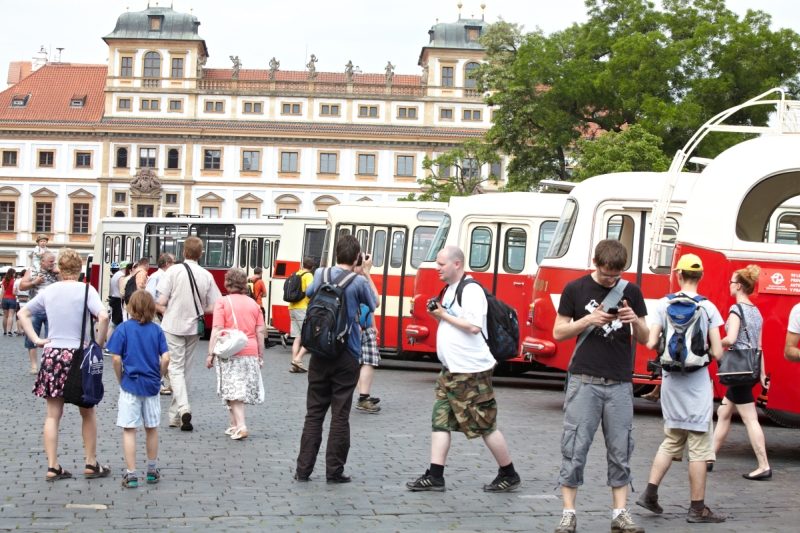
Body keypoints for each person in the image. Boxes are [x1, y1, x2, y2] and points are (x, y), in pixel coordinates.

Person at [552, 239, 649, 533]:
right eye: (607, 275)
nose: (611, 280)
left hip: (619, 383)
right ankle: (568, 514)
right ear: (596, 263)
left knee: (621, 450)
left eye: (616, 275)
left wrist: (635, 321)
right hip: (584, 382)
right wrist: (589, 320)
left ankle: (620, 513)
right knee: (575, 447)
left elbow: (646, 339)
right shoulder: (575, 289)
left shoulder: (631, 291)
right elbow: (558, 332)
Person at [406, 245, 521, 494]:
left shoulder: (471, 290)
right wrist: (438, 314)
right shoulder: (449, 290)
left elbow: (473, 327)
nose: (437, 268)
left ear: (457, 264)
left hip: (471, 372)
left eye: (441, 264)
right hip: (451, 370)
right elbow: (451, 323)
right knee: (440, 421)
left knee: (484, 424)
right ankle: (435, 476)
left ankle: (509, 473)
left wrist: (443, 315)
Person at [637, 254, 726, 523]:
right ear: (700, 277)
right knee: (699, 446)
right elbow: (719, 353)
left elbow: (652, 343)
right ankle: (697, 509)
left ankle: (650, 494)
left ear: (678, 275)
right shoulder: (708, 308)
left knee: (672, 439)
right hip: (697, 384)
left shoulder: (664, 304)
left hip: (672, 384)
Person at [18, 248, 110, 482]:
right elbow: (103, 316)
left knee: (52, 414)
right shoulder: (87, 290)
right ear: (79, 268)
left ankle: (53, 466)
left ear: (59, 267)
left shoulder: (49, 291)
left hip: (52, 354)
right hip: (78, 355)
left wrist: (37, 340)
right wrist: (98, 344)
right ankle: (90, 462)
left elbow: (23, 313)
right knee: (87, 411)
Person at [294, 235, 377, 483]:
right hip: (347, 354)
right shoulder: (359, 281)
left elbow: (308, 294)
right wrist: (366, 274)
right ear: (356, 257)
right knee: (340, 415)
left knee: (314, 414)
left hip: (319, 352)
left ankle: (303, 470)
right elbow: (374, 303)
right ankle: (335, 472)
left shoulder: (320, 274)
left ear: (336, 254)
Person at [710, 265, 770, 480]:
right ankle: (710, 458)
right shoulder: (756, 311)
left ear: (738, 286)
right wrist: (762, 374)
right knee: (724, 412)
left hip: (738, 371)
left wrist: (712, 344)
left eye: (731, 282)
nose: (730, 285)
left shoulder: (737, 310)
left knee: (750, 418)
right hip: (749, 369)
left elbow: (731, 339)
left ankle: (763, 465)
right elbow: (759, 346)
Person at [157, 236, 221, 431]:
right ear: (201, 254)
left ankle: (183, 409)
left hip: (172, 324)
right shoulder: (206, 275)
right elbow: (214, 305)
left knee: (175, 368)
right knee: (186, 369)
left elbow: (161, 300)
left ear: (183, 253)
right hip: (194, 326)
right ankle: (174, 416)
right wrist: (200, 307)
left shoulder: (173, 271)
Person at [108, 290, 170, 488]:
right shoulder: (157, 330)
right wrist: (159, 377)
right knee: (151, 428)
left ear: (130, 306)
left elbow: (116, 358)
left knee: (129, 429)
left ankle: (131, 474)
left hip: (130, 383)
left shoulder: (123, 329)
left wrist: (120, 379)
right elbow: (166, 357)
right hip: (151, 384)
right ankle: (151, 470)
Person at [206, 268, 266, 440]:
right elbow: (260, 332)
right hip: (250, 350)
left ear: (228, 283)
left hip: (230, 351)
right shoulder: (254, 304)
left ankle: (241, 426)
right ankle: (233, 424)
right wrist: (260, 356)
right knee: (235, 388)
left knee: (234, 390)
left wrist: (210, 353)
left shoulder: (222, 302)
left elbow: (217, 329)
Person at [19, 251, 61, 375]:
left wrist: (58, 273)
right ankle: (34, 365)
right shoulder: (32, 270)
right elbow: (21, 286)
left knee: (51, 337)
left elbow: (66, 283)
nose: (52, 264)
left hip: (52, 309)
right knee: (32, 337)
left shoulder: (57, 271)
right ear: (42, 261)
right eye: (50, 262)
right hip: (34, 308)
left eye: (54, 261)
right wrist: (34, 282)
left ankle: (47, 364)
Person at [145, 253, 175, 395]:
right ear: (167, 264)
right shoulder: (155, 277)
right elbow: (150, 298)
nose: (174, 265)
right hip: (158, 317)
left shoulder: (167, 277)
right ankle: (159, 382)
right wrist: (162, 310)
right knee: (158, 349)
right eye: (173, 262)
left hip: (165, 316)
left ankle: (166, 379)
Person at [288, 258, 315, 373]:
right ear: (312, 267)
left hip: (292, 308)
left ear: (303, 265)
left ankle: (294, 364)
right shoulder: (308, 275)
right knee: (310, 336)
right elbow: (310, 292)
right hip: (302, 308)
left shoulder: (296, 274)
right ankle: (298, 360)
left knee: (297, 337)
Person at [108, 262, 125, 332]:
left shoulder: (114, 276)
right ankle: (108, 339)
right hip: (118, 300)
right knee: (115, 323)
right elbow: (122, 290)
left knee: (115, 322)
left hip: (114, 299)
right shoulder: (121, 276)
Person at [2, 267, 16, 336]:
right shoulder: (14, 281)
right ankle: (9, 331)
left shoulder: (4, 280)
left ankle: (4, 331)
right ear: (13, 274)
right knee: (11, 315)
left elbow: (2, 291)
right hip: (12, 299)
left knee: (5, 316)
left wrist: (1, 300)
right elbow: (14, 291)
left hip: (4, 298)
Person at [13, 269, 28, 336]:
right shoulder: (29, 281)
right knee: (27, 316)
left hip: (18, 300)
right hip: (27, 300)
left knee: (19, 316)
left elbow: (14, 292)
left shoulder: (17, 281)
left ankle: (19, 330)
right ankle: (25, 330)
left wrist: (18, 293)